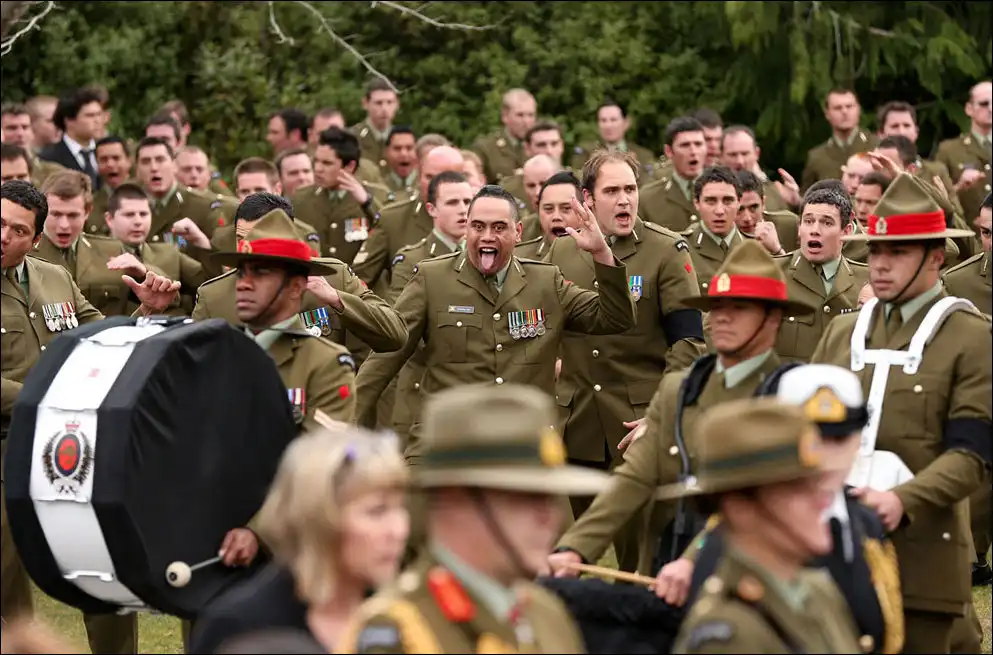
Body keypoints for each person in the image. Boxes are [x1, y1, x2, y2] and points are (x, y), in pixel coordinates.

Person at [548, 240, 816, 577]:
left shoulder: (787, 396)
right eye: (717, 306)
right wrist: (574, 548)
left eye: (740, 307)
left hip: (745, 575)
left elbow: (757, 503)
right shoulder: (680, 390)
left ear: (773, 319)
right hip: (665, 565)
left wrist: (693, 560)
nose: (722, 317)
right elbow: (635, 478)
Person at [811, 173, 991, 654]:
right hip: (834, 551)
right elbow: (803, 429)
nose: (881, 264)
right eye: (875, 251)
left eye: (899, 252)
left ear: (935, 257)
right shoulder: (843, 332)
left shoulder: (970, 335)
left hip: (925, 555)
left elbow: (973, 453)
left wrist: (901, 500)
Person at [1, 179, 179, 649]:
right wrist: (47, 396)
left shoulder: (53, 277)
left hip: (69, 450)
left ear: (34, 240)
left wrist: (146, 313)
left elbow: (100, 339)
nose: (3, 236)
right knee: (6, 589)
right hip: (6, 450)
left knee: (103, 568)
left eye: (17, 230)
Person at [354, 184, 637, 462]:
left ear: (518, 232)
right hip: (446, 447)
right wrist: (347, 425)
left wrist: (602, 254)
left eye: (499, 227)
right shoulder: (432, 278)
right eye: (478, 227)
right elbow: (386, 357)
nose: (487, 236)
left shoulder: (545, 282)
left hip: (524, 449)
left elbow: (616, 318)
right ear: (467, 230)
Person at [338, 383, 603, 653]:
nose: (550, 517)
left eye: (550, 498)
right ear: (456, 498)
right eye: (525, 498)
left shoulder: (547, 615)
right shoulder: (399, 634)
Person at [664, 363, 903, 654]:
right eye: (799, 489)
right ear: (740, 509)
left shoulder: (817, 590)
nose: (822, 498)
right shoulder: (731, 632)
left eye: (840, 439)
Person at [547, 149, 705, 572]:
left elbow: (688, 342)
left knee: (641, 558)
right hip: (577, 421)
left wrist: (661, 414)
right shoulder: (562, 251)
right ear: (587, 199)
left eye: (631, 189)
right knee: (570, 554)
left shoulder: (666, 250)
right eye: (612, 191)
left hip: (636, 423)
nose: (624, 200)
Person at [190, 425, 409, 653]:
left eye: (400, 508)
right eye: (377, 511)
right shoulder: (240, 628)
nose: (398, 530)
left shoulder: (403, 623)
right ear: (317, 517)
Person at [191, 193, 406, 367]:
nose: (247, 248)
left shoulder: (332, 276)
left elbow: (395, 336)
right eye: (241, 239)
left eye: (260, 239)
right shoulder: (213, 296)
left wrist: (337, 299)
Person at [210, 207, 359, 429]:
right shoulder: (216, 354)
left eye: (260, 272)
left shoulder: (325, 364)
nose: (243, 284)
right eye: (241, 273)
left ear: (296, 287)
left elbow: (317, 449)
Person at [773, 185, 869, 363]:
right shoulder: (773, 272)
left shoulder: (867, 280)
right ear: (799, 227)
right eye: (808, 221)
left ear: (846, 231)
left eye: (827, 223)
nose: (815, 230)